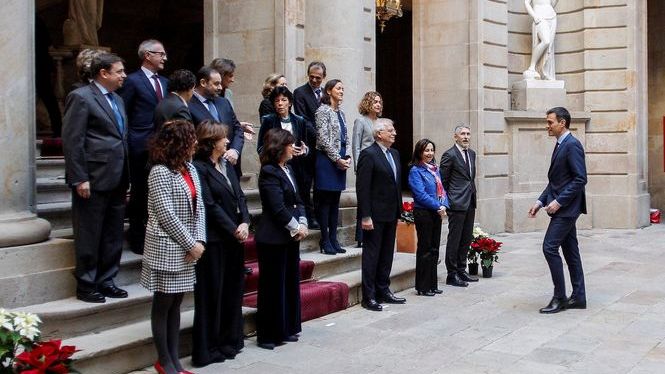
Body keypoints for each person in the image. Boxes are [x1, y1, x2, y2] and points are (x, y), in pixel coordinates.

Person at [62, 52, 129, 303]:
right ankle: (87, 283)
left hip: (118, 175)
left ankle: (107, 279)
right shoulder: (80, 97)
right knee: (89, 232)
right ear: (103, 73)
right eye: (119, 71)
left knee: (113, 232)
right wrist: (79, 177)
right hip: (93, 176)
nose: (124, 75)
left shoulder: (118, 100)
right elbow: (73, 141)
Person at [141, 119, 205, 374]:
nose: (196, 143)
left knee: (177, 304)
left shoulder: (190, 168)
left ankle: (175, 360)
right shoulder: (159, 172)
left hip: (189, 250)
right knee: (163, 304)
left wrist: (199, 240)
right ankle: (164, 361)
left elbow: (199, 208)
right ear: (179, 142)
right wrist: (190, 243)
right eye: (192, 138)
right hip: (167, 248)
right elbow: (165, 214)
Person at [192, 121, 250, 366]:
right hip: (216, 239)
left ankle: (230, 339)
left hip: (235, 237)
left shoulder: (226, 165)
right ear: (210, 142)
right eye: (223, 138)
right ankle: (210, 346)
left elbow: (239, 196)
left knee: (231, 291)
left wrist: (246, 222)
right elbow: (209, 205)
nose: (227, 141)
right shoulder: (200, 168)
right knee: (212, 294)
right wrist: (232, 228)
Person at [528, 106, 587, 314]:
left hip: (568, 209)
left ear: (562, 123)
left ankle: (560, 298)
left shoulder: (572, 145)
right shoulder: (561, 144)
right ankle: (579, 297)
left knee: (549, 247)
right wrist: (540, 201)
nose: (548, 126)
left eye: (550, 122)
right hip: (565, 208)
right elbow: (556, 181)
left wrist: (559, 202)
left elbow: (580, 178)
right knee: (571, 252)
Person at [255, 128, 308, 350]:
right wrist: (295, 226)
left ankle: (286, 327)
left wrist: (303, 222)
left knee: (288, 283)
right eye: (289, 144)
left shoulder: (287, 169)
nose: (292, 148)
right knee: (272, 286)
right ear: (279, 147)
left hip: (290, 236)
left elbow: (298, 199)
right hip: (273, 236)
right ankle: (269, 333)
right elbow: (276, 207)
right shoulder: (269, 171)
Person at [117, 39, 169, 255]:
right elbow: (123, 112)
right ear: (147, 55)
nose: (164, 58)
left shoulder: (166, 82)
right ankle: (137, 236)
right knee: (140, 192)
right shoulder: (132, 81)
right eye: (161, 54)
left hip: (163, 146)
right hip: (140, 146)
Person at [356, 118, 406, 311]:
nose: (394, 133)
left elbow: (396, 185)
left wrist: (399, 211)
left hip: (391, 213)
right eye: (390, 130)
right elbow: (363, 188)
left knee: (386, 255)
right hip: (374, 216)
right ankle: (369, 297)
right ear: (379, 134)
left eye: (393, 130)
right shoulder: (368, 155)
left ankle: (383, 290)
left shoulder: (394, 153)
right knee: (372, 256)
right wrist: (365, 216)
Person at [408, 139, 449, 296]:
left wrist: (444, 204)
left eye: (432, 150)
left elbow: (442, 190)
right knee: (425, 249)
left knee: (434, 248)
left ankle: (432, 284)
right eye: (426, 150)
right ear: (419, 152)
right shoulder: (415, 171)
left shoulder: (435, 169)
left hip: (436, 212)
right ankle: (423, 286)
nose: (430, 153)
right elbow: (420, 194)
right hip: (423, 213)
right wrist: (438, 206)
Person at [440, 125, 479, 287]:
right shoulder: (449, 155)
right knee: (454, 239)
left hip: (470, 201)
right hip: (456, 203)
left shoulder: (471, 153)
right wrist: (447, 201)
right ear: (455, 137)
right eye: (462, 134)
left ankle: (462, 271)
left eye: (468, 134)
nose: (466, 137)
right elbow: (442, 181)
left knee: (466, 238)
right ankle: (452, 274)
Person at [314, 79, 350, 255]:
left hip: (340, 159)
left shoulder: (341, 113)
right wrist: (337, 159)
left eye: (343, 88)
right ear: (329, 91)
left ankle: (334, 239)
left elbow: (345, 137)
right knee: (325, 201)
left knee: (335, 202)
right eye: (338, 88)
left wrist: (347, 157)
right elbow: (322, 138)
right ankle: (325, 239)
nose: (342, 91)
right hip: (327, 160)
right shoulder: (323, 111)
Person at [189, 66, 245, 177]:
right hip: (206, 168)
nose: (220, 87)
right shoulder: (188, 105)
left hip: (231, 165)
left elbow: (237, 128)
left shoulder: (223, 102)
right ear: (203, 82)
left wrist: (235, 150)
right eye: (216, 84)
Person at [293, 61, 327, 229]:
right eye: (312, 77)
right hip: (309, 144)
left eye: (318, 78)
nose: (314, 81)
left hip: (324, 148)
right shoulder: (300, 93)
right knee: (306, 184)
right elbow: (303, 118)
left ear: (323, 78)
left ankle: (321, 215)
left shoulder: (326, 95)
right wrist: (320, 136)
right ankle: (308, 215)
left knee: (321, 183)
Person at [352, 91, 383, 247]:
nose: (378, 104)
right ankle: (361, 236)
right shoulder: (361, 121)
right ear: (367, 104)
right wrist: (358, 166)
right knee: (364, 199)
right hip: (365, 164)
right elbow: (356, 145)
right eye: (374, 101)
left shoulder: (381, 123)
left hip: (379, 166)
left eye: (379, 102)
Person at [523, 0, 558, 80]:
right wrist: (534, 16)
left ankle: (544, 71)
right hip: (539, 17)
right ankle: (531, 67)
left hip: (552, 17)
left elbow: (552, 4)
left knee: (549, 47)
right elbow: (526, 3)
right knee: (546, 41)